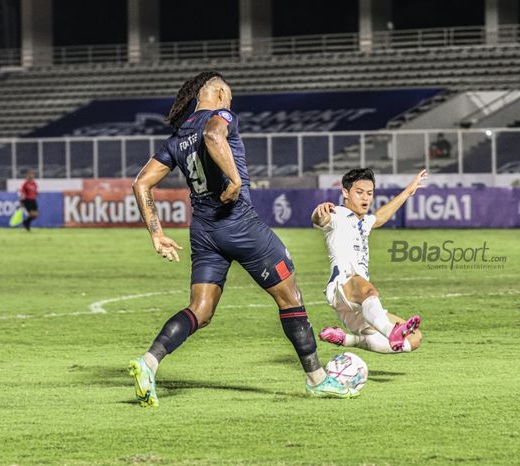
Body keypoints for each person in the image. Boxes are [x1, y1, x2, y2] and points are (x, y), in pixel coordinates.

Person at [128, 71, 357, 407]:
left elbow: (141, 183)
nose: (231, 102)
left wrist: (157, 233)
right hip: (239, 225)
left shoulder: (177, 139)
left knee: (201, 311)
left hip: (205, 232)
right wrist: (234, 180)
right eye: (230, 95)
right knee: (290, 297)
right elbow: (213, 135)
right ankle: (317, 380)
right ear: (219, 92)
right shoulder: (221, 115)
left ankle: (148, 364)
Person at [312, 168, 426, 354]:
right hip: (344, 285)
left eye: (369, 193)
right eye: (359, 192)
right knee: (369, 290)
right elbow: (319, 219)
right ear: (345, 192)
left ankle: (349, 340)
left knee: (414, 339)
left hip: (359, 302)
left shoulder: (364, 221)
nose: (365, 198)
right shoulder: (337, 214)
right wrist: (319, 212)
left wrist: (408, 192)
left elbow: (379, 217)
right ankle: (392, 331)